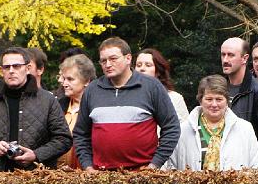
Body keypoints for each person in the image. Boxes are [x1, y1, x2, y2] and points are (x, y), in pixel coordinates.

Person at [73, 37, 180, 172]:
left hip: (142, 174)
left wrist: (154, 165)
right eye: (103, 60)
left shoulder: (151, 87)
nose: (108, 64)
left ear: (128, 59)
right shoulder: (92, 90)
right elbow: (81, 134)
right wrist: (87, 166)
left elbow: (172, 127)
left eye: (113, 59)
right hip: (101, 175)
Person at [0, 47, 72, 170]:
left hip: (37, 177)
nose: (11, 71)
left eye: (16, 66)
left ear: (28, 68)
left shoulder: (47, 101)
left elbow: (64, 139)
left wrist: (36, 155)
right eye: (7, 67)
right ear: (1, 70)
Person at [165, 75, 258, 171]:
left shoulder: (245, 129)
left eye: (219, 99)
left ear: (227, 101)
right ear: (200, 100)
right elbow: (171, 168)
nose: (214, 104)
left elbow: (256, 168)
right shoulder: (182, 130)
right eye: (209, 99)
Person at [220, 37, 258, 165]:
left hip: (245, 170)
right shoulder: (219, 89)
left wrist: (244, 157)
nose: (225, 60)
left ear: (245, 58)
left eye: (231, 55)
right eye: (223, 55)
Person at [58, 54, 95, 168]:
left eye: (70, 79)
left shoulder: (96, 108)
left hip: (86, 173)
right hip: (58, 175)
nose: (64, 84)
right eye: (64, 79)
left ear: (87, 81)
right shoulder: (59, 105)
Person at [135, 48, 189, 123]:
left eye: (148, 65)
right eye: (138, 65)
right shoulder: (128, 96)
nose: (142, 68)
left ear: (158, 71)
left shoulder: (174, 98)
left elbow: (185, 130)